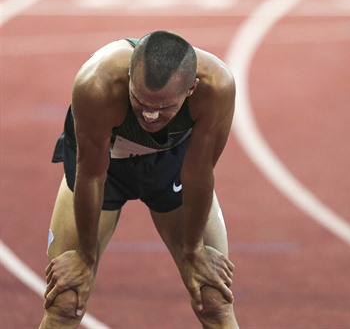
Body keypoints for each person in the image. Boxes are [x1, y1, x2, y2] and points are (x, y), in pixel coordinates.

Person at [39, 30, 239, 328]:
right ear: (129, 76)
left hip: (171, 164)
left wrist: (194, 249)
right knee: (66, 301)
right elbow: (92, 174)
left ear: (191, 89)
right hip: (104, 170)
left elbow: (198, 174)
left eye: (164, 107)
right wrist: (84, 257)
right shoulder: (97, 83)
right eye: (140, 100)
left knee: (213, 298)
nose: (149, 116)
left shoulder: (217, 86)